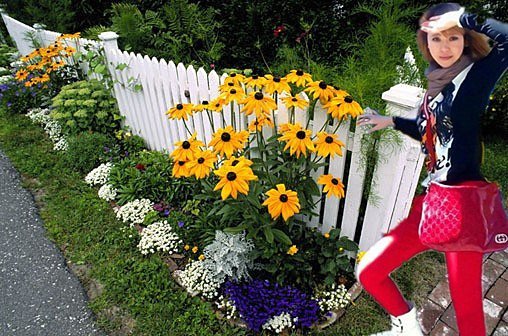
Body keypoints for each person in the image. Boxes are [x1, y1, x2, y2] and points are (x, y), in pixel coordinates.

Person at [355, 3, 507, 336]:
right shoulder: (436, 88)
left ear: (466, 40)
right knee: (368, 271)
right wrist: (391, 121)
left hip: (464, 209)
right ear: (427, 42)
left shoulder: (472, 82)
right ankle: (407, 327)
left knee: (468, 318)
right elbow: (429, 128)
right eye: (436, 38)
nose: (445, 47)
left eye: (454, 37)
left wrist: (464, 17)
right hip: (433, 203)